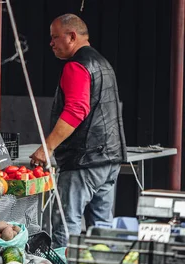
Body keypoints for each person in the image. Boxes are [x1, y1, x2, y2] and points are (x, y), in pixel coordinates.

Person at [30, 14, 127, 249]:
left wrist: (47, 147)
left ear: (72, 36)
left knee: (66, 223)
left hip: (83, 160)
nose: (51, 43)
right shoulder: (104, 64)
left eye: (55, 37)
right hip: (110, 159)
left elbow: (76, 110)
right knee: (101, 227)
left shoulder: (77, 66)